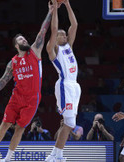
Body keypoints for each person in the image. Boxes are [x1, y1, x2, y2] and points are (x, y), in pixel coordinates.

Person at [0, 2, 54, 162]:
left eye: (25, 38)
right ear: (16, 45)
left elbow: (43, 31)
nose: (25, 40)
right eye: (21, 39)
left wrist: (50, 12)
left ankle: (8, 159)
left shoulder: (34, 51)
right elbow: (3, 81)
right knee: (5, 123)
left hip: (32, 100)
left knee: (20, 129)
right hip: (16, 98)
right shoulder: (12, 62)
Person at [45, 0, 81, 161]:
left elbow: (74, 25)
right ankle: (56, 154)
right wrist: (54, 11)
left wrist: (67, 3)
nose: (63, 35)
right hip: (64, 85)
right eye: (60, 34)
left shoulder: (69, 46)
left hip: (75, 86)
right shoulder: (53, 50)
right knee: (68, 122)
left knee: (69, 124)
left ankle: (56, 154)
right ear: (55, 38)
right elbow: (53, 29)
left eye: (64, 34)